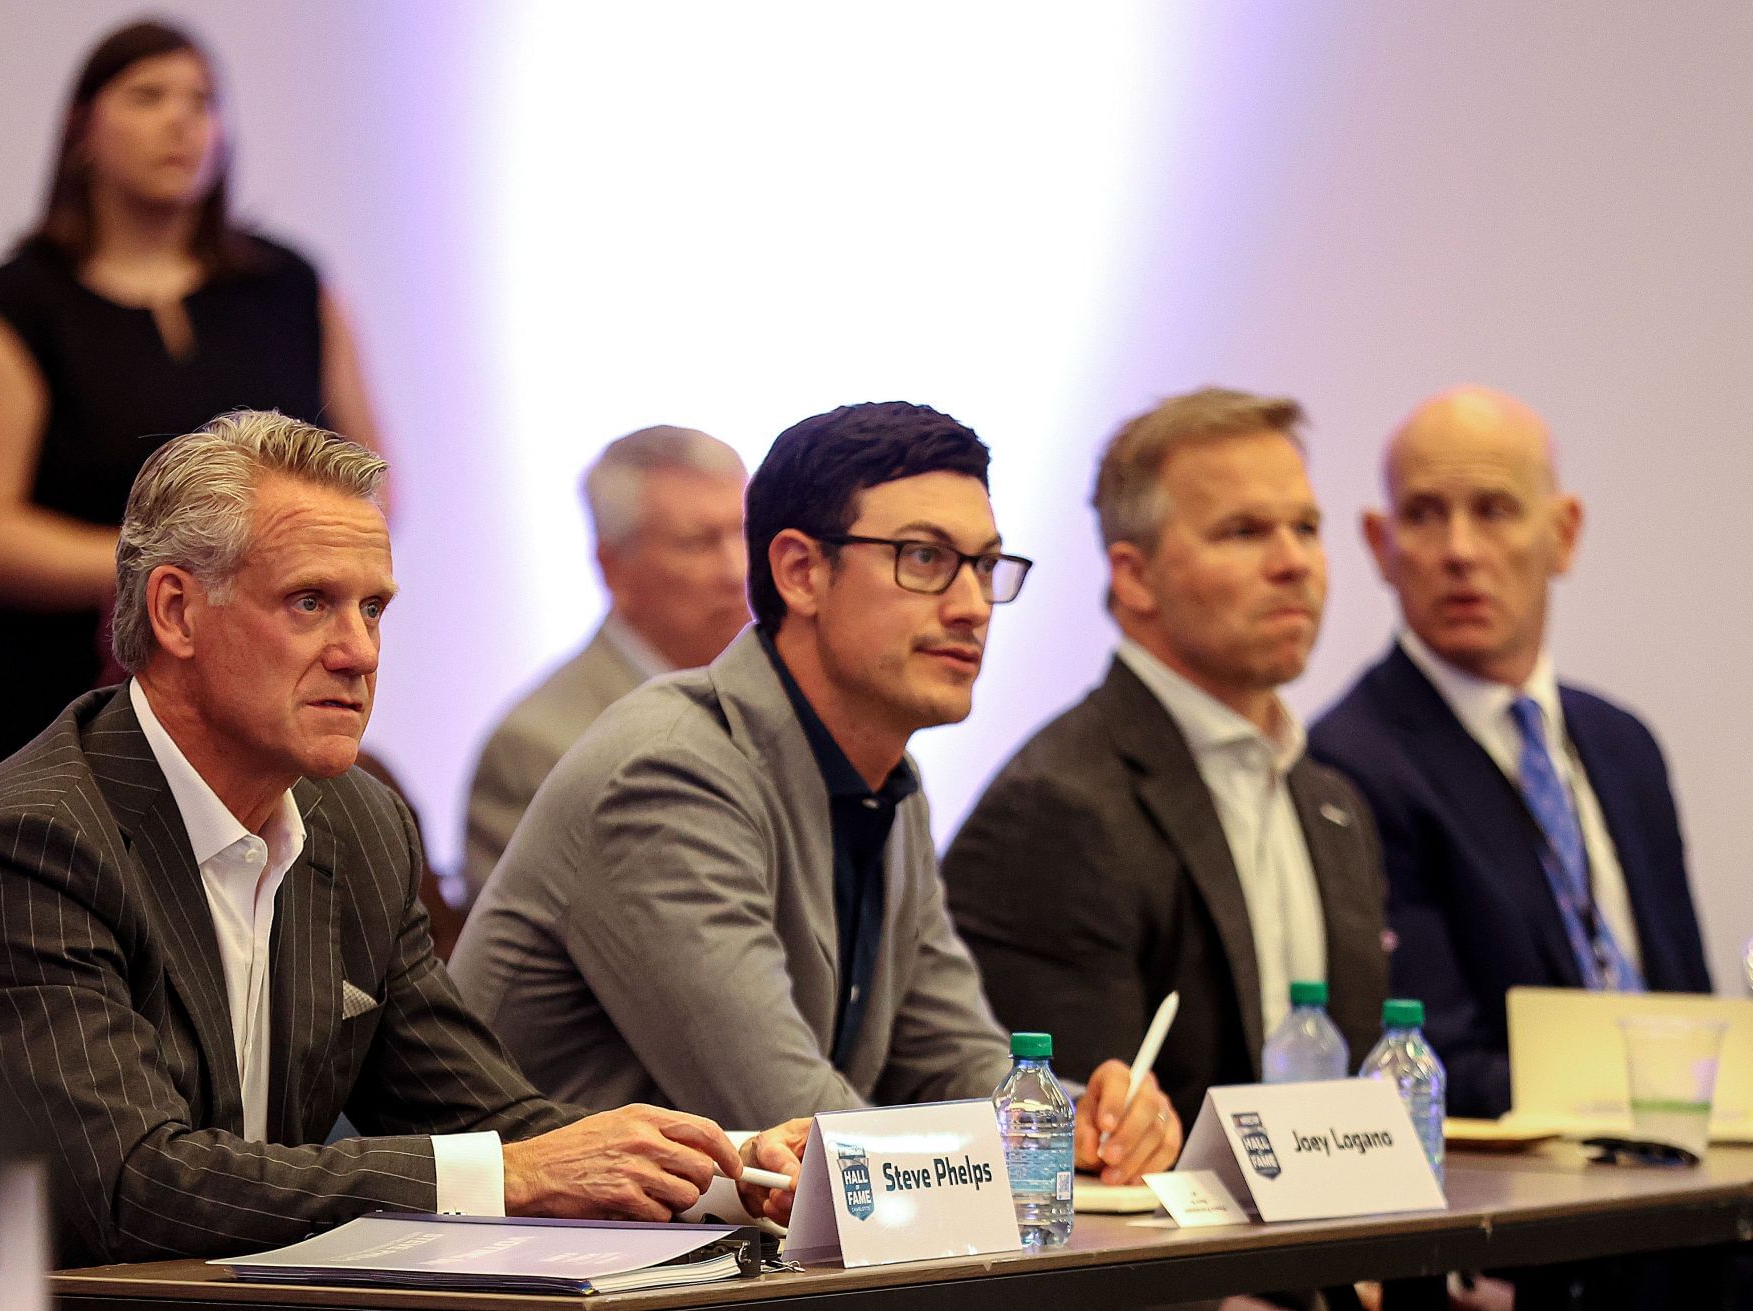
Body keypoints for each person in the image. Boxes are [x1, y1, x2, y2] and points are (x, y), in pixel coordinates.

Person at [0, 412, 798, 1266]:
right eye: (310, 602)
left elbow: (491, 1122)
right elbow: (135, 1192)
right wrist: (509, 1175)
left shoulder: (358, 822)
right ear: (177, 611)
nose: (359, 651)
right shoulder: (34, 845)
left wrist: (722, 1167)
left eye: (374, 607)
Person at [449, 401, 1181, 1185]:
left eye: (984, 566)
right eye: (925, 559)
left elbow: (948, 1052)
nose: (971, 605)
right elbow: (796, 1121)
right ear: (801, 571)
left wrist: (1072, 1122)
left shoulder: (885, 776)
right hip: (552, 1283)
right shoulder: (665, 772)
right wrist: (1012, 1157)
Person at [0, 19, 385, 769]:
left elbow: (369, 479)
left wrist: (290, 580)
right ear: (82, 130)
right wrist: (183, 572)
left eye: (203, 101)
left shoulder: (292, 287)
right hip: (72, 678)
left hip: (272, 664)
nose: (182, 121)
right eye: (148, 97)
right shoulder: (14, 308)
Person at [941, 388, 1388, 1131]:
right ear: (1135, 576)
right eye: (1243, 531)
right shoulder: (1057, 807)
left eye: (1306, 528)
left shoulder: (1333, 801)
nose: (1293, 563)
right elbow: (1080, 1143)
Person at [1311, 386, 1711, 1118]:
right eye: (1425, 515)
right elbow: (1431, 1062)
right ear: (1381, 544)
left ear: (1563, 533)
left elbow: (1687, 1001)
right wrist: (1661, 1091)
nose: (1461, 551)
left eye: (1494, 510)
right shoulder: (1349, 763)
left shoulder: (1624, 744)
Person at [461, 426, 748, 902]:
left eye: (743, 532)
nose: (737, 570)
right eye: (699, 542)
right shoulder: (539, 749)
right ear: (614, 568)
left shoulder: (789, 705)